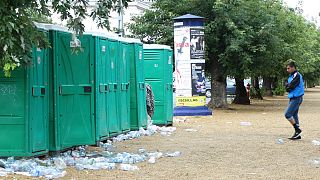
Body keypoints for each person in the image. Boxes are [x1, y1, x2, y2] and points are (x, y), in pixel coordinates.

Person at [285, 61, 304, 140]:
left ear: (293, 67)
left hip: (297, 97)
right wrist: (287, 86)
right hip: (293, 97)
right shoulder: (291, 76)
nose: (287, 70)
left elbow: (290, 87)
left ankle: (297, 129)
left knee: (288, 114)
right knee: (294, 114)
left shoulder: (297, 75)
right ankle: (297, 134)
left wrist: (288, 86)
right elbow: (286, 85)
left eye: (288, 68)